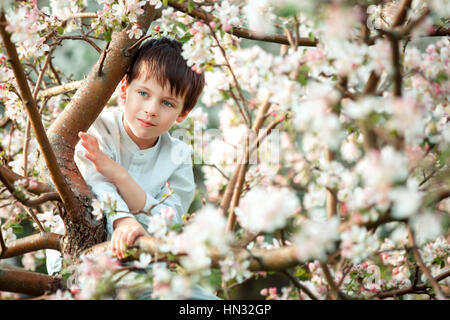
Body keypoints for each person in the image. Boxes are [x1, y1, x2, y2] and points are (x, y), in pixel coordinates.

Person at [46, 37, 218, 299]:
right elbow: (92, 184)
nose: (151, 110)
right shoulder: (99, 128)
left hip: (143, 267)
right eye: (143, 94)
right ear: (125, 88)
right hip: (78, 260)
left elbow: (168, 220)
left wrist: (121, 176)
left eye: (167, 103)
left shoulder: (179, 156)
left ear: (183, 113)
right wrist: (123, 220)